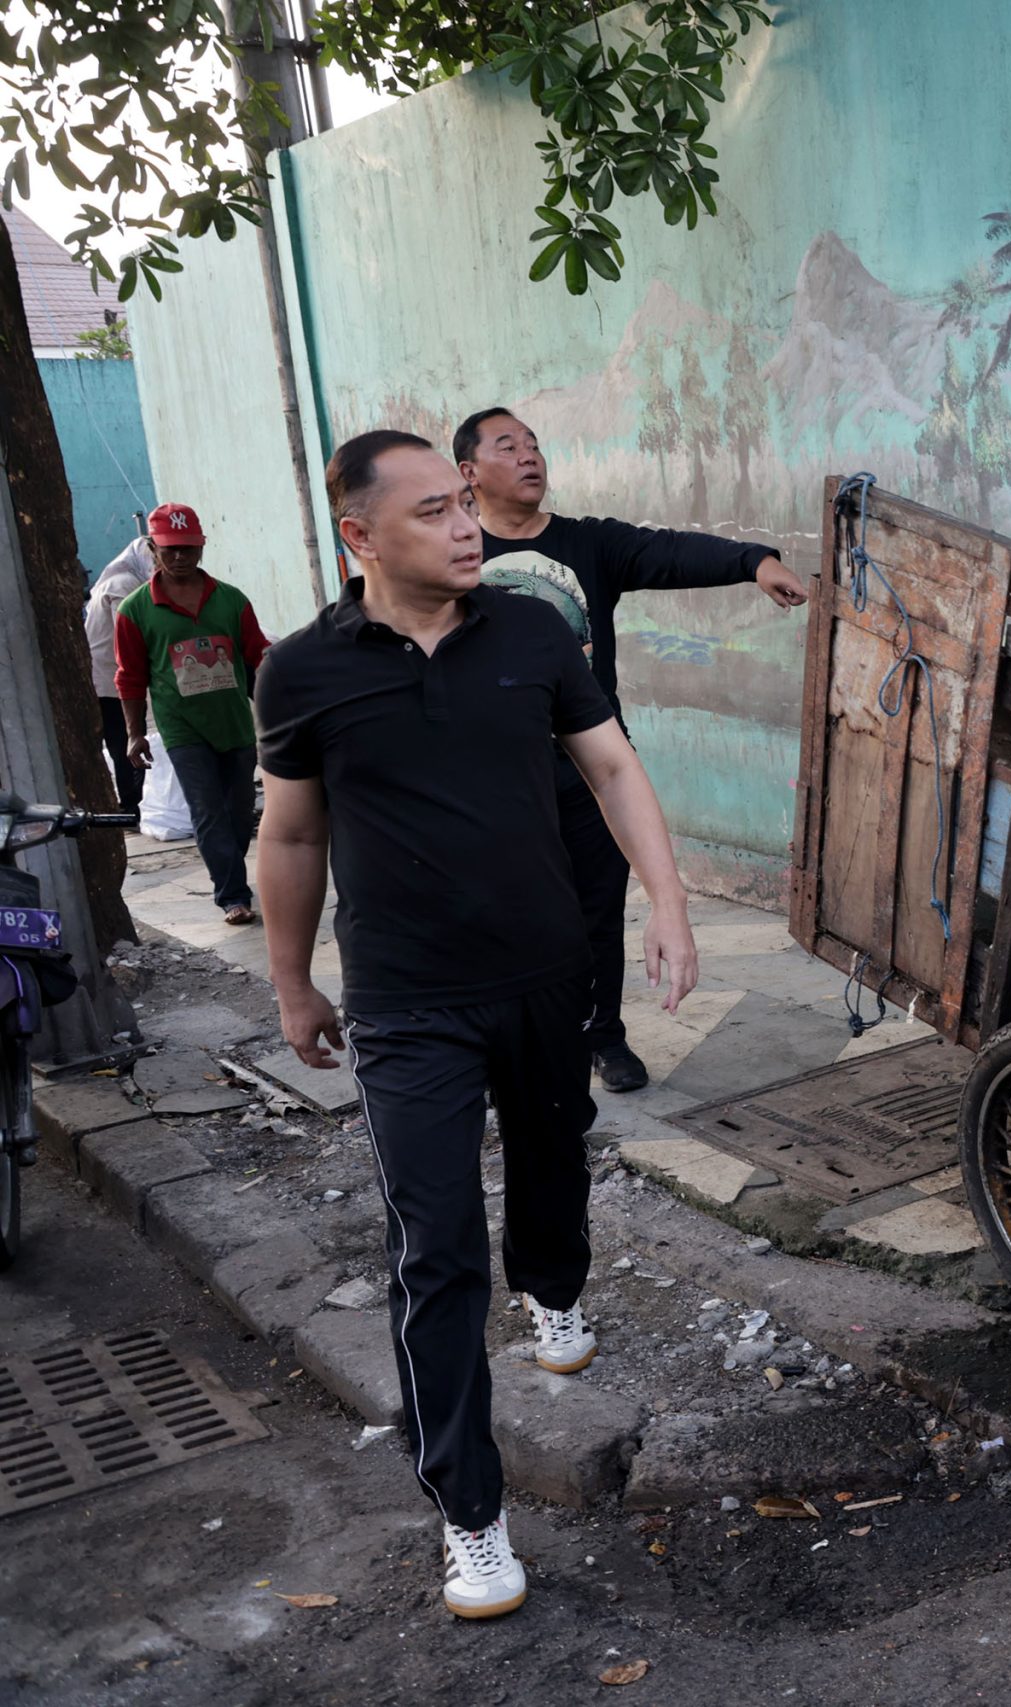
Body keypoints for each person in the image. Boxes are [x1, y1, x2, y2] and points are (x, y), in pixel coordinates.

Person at [254, 430, 700, 1619]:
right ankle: (469, 1514)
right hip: (405, 1006)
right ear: (360, 535)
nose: (467, 527)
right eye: (436, 511)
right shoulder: (302, 672)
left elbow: (610, 768)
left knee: (554, 1171)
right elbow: (291, 838)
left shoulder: (532, 631)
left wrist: (665, 897)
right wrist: (293, 983)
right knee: (435, 1249)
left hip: (545, 975)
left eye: (467, 505)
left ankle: (553, 1284)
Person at [452, 407, 807, 1094]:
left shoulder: (589, 545)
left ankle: (602, 1034)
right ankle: (514, 1037)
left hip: (590, 767)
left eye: (534, 443)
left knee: (597, 909)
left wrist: (753, 561)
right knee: (508, 914)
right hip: (497, 778)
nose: (530, 455)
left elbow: (670, 550)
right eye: (508, 446)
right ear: (470, 472)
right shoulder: (459, 558)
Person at [113, 502, 269, 924]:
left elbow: (259, 659)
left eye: (188, 548)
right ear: (152, 549)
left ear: (201, 547)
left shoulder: (231, 601)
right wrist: (133, 733)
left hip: (235, 724)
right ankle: (233, 894)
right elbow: (129, 677)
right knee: (206, 811)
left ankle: (230, 870)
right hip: (182, 729)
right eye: (169, 550)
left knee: (239, 813)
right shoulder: (135, 610)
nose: (179, 558)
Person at [82, 533, 150, 813]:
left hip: (106, 676)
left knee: (118, 742)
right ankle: (132, 805)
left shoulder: (117, 578)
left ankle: (129, 804)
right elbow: (129, 637)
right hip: (110, 680)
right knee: (126, 744)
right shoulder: (124, 585)